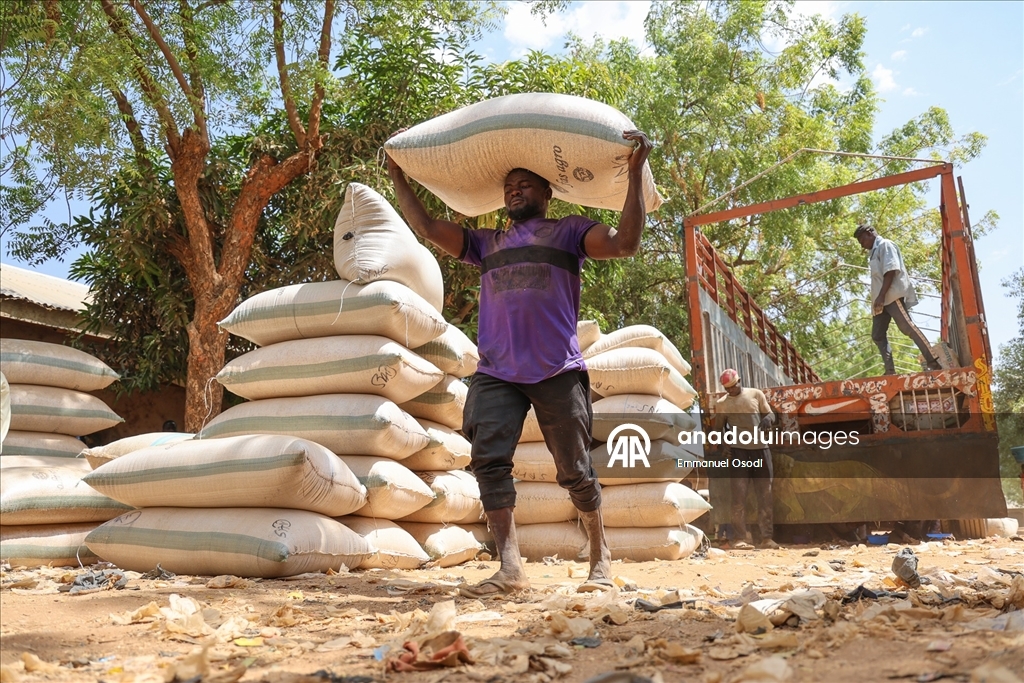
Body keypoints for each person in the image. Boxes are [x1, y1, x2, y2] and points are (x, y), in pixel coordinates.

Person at [387, 129, 654, 597]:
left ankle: (600, 556)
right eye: (509, 186)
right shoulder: (485, 242)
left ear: (547, 193)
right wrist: (397, 175)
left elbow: (625, 244)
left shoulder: (570, 230)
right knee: (487, 458)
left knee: (573, 469)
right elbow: (429, 228)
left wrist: (633, 176)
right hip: (496, 372)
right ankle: (510, 568)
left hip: (557, 369)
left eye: (525, 184)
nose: (514, 190)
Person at [854, 224, 942, 374]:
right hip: (880, 302)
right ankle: (890, 371)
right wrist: (878, 299)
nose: (862, 245)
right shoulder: (874, 253)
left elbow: (891, 270)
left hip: (891, 297)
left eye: (862, 240)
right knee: (877, 335)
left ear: (870, 233)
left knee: (908, 327)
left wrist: (882, 295)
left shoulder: (885, 245)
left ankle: (933, 362)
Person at [712, 368, 778, 550]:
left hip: (761, 450)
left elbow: (770, 413)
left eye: (734, 386)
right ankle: (740, 538)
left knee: (765, 495)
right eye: (728, 389)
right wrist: (723, 446)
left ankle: (766, 538)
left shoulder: (755, 394)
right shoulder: (722, 404)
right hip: (739, 452)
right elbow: (718, 431)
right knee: (738, 497)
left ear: (739, 380)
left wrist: (768, 420)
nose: (732, 391)